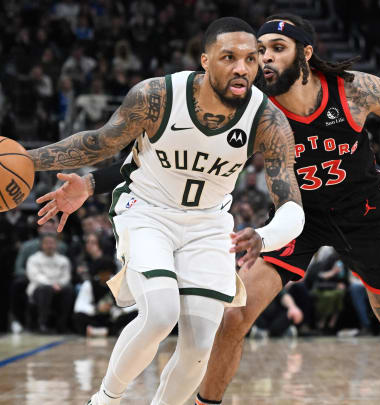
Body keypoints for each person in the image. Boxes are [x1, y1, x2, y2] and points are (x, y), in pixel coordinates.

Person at [42, 13, 380, 405]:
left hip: (361, 213)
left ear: (306, 53)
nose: (264, 59)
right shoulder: (253, 106)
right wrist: (92, 182)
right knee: (233, 317)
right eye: (260, 51)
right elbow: (157, 156)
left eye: (277, 48)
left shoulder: (355, 91)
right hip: (296, 216)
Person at [27, 17, 304, 405]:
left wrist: (264, 236)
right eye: (229, 57)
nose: (242, 67)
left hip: (208, 223)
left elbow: (293, 208)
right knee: (160, 313)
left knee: (199, 346)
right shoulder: (158, 96)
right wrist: (26, 161)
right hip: (147, 211)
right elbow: (99, 143)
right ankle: (105, 400)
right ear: (205, 60)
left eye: (250, 58)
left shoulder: (268, 120)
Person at [26, 233, 73, 333]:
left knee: (68, 290)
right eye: (47, 243)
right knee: (45, 290)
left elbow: (66, 277)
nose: (49, 246)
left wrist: (59, 284)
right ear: (42, 245)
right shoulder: (33, 259)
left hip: (58, 288)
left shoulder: (63, 260)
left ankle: (62, 324)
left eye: (52, 243)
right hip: (38, 289)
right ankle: (42, 324)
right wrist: (51, 285)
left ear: (56, 244)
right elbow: (35, 276)